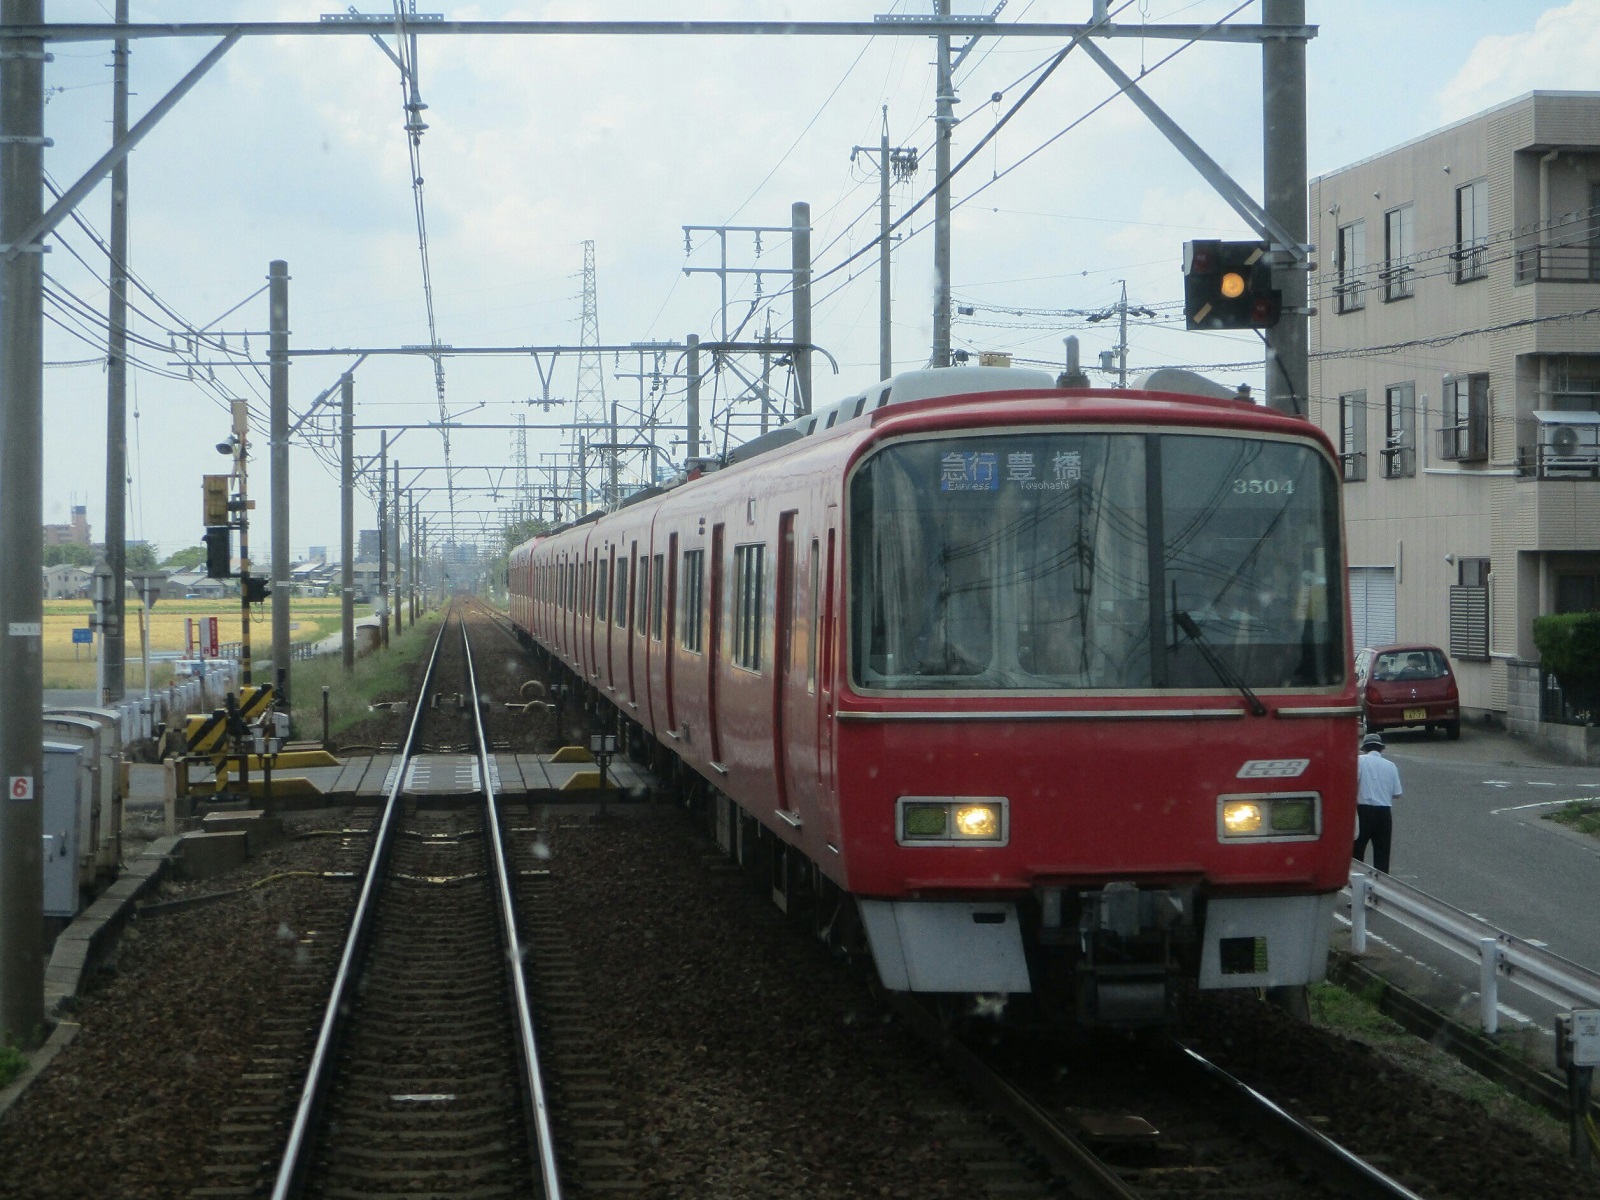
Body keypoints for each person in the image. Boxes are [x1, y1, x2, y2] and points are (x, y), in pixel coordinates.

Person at [1353, 732, 1402, 873]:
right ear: (1381, 748)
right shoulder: (1391, 765)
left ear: (1365, 748)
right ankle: (1381, 888)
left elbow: (1353, 783)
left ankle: (1356, 885)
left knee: (1357, 852)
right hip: (1384, 813)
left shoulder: (1360, 761)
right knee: (1382, 855)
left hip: (1363, 811)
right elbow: (1397, 793)